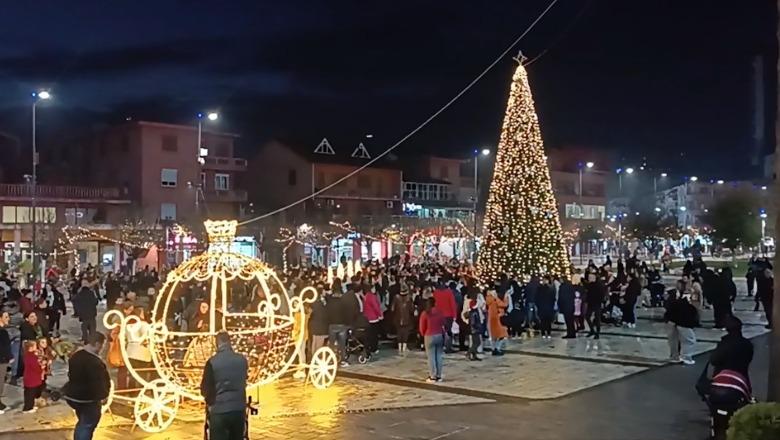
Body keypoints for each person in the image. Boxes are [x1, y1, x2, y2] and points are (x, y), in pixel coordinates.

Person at [200, 331, 249, 440]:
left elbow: (205, 389)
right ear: (230, 342)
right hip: (238, 409)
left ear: (217, 343)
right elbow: (245, 379)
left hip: (219, 410)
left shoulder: (212, 362)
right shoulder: (242, 360)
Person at [63, 332, 111, 440]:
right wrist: (103, 395)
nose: (103, 348)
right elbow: (97, 382)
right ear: (97, 344)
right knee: (87, 424)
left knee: (83, 422)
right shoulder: (94, 362)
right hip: (88, 398)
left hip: (74, 396)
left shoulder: (76, 356)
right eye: (102, 345)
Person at [664, 292, 699, 365]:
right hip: (683, 322)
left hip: (671, 320)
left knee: (673, 340)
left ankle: (674, 357)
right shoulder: (690, 306)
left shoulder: (678, 301)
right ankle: (686, 358)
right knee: (689, 340)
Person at [418, 297, 445, 382]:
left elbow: (422, 327)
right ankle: (439, 375)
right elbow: (443, 323)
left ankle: (432, 376)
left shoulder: (425, 313)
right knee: (439, 356)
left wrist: (423, 334)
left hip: (429, 335)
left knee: (431, 357)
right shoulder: (440, 312)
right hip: (439, 334)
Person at [432, 279, 457, 353]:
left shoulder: (435, 292)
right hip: (448, 315)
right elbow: (452, 304)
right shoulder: (449, 292)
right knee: (448, 331)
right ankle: (448, 347)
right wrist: (454, 315)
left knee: (439, 331)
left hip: (438, 315)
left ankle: (440, 346)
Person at [391, 282, 415, 353]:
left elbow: (392, 309)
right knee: (405, 333)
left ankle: (399, 348)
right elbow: (412, 309)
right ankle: (404, 348)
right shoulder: (409, 298)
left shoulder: (396, 297)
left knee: (399, 332)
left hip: (397, 319)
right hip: (407, 319)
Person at [22, 340, 43, 413]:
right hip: (32, 378)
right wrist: (41, 368)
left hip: (28, 378)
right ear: (31, 347)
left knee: (28, 393)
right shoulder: (32, 357)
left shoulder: (27, 355)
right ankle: (28, 408)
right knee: (30, 394)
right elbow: (35, 367)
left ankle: (29, 406)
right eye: (35, 346)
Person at [486, 288, 509, 353]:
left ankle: (494, 349)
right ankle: (496, 348)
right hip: (496, 319)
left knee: (494, 336)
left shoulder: (489, 299)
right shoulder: (494, 300)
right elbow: (504, 305)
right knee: (501, 335)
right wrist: (505, 297)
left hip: (492, 319)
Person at [362, 284, 383, 355]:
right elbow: (376, 307)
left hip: (367, 318)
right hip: (374, 318)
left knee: (369, 334)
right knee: (374, 334)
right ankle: (374, 348)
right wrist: (380, 315)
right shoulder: (372, 297)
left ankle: (370, 347)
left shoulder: (365, 296)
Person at [585, 273, 605, 339]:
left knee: (597, 318)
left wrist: (601, 302)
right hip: (590, 303)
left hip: (597, 303)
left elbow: (602, 294)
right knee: (587, 316)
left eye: (590, 277)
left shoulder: (599, 285)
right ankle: (592, 330)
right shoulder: (589, 285)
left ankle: (597, 333)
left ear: (594, 278)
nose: (589, 278)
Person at [0, 312, 12, 414]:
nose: (8, 319)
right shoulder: (2, 332)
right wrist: (9, 357)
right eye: (6, 317)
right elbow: (4, 347)